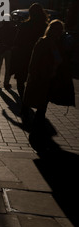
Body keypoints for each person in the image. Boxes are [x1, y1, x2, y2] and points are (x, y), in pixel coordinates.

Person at [22, 20, 73, 151]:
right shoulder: (43, 42)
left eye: (60, 30)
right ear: (50, 30)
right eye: (55, 29)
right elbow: (34, 62)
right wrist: (34, 75)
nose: (58, 32)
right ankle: (36, 130)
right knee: (40, 104)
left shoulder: (58, 44)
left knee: (42, 105)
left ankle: (37, 129)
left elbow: (61, 61)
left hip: (52, 80)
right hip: (42, 78)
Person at [11, 3, 49, 99]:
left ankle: (24, 99)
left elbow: (17, 42)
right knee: (37, 80)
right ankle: (34, 101)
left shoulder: (24, 26)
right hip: (41, 58)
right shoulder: (45, 26)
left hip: (24, 56)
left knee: (20, 80)